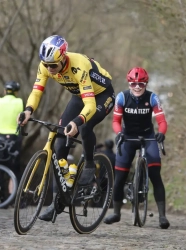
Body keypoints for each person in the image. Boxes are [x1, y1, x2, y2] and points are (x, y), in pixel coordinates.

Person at [18, 35, 115, 221]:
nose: (50, 70)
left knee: (85, 127)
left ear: (63, 58)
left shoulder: (79, 66)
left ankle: (88, 165)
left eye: (53, 66)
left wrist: (77, 121)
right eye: (46, 65)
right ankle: (57, 202)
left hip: (102, 95)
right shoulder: (45, 65)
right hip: (79, 96)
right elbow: (37, 91)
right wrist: (28, 110)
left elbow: (91, 106)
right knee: (59, 146)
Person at [103, 67, 170, 229]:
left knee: (155, 175)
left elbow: (161, 121)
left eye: (141, 83)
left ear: (146, 83)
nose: (137, 87)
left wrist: (161, 133)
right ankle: (117, 213)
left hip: (148, 137)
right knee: (119, 177)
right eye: (133, 84)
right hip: (128, 138)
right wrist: (118, 133)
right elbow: (115, 121)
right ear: (129, 84)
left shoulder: (152, 97)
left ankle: (162, 216)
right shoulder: (122, 97)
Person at [0, 81, 24, 182]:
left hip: (0, 137)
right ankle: (13, 195)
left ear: (5, 91)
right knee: (14, 170)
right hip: (14, 138)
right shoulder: (19, 102)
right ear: (16, 92)